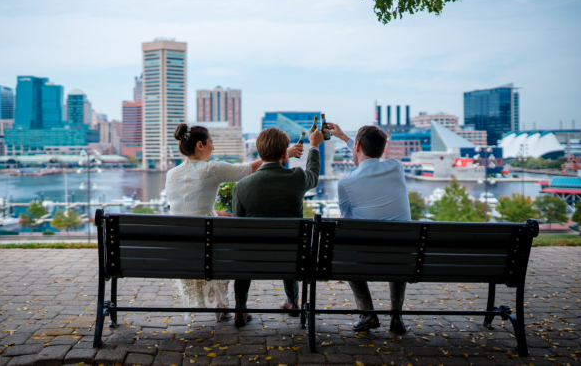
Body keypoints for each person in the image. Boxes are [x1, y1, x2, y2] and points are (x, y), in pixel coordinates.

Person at [165, 123, 303, 321]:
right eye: (211, 143)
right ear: (200, 146)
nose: (214, 147)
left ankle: (224, 305)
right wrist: (284, 153)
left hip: (178, 250)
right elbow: (249, 170)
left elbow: (186, 209)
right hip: (206, 247)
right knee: (225, 248)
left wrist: (215, 213)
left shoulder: (171, 174)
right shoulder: (211, 168)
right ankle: (222, 306)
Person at [323, 122, 411, 334]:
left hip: (366, 259)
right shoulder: (396, 167)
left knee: (346, 247)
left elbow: (346, 222)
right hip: (404, 259)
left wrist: (347, 140)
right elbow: (367, 159)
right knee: (398, 244)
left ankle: (367, 313)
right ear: (383, 149)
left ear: (357, 146)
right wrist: (345, 137)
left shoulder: (345, 182)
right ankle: (396, 317)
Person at [231, 127, 323, 327]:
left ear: (259, 153)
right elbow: (314, 175)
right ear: (284, 154)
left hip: (250, 259)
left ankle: (240, 310)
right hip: (291, 258)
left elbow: (238, 228)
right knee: (291, 247)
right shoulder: (297, 178)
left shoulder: (241, 187)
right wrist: (314, 146)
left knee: (242, 249)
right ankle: (292, 303)